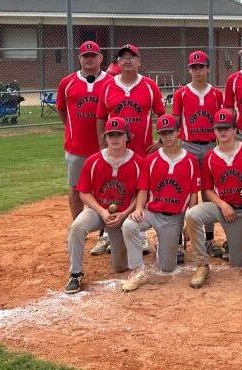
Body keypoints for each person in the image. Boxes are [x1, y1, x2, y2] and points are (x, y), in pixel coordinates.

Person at [94, 44, 164, 256]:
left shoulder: (150, 85)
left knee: (138, 191)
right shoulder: (107, 86)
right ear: (117, 62)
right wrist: (101, 145)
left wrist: (160, 141)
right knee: (112, 188)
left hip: (141, 151)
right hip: (114, 151)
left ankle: (139, 235)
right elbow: (100, 118)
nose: (127, 60)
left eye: (132, 57)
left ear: (139, 62)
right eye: (123, 57)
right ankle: (108, 235)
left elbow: (162, 115)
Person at [120, 115, 201, 292]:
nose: (167, 137)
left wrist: (189, 221)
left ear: (178, 133)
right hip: (151, 212)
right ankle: (138, 271)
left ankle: (162, 247)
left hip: (174, 218)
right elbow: (143, 188)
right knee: (129, 225)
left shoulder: (191, 160)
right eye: (163, 133)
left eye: (170, 132)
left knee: (167, 268)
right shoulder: (151, 160)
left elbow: (193, 194)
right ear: (160, 136)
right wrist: (139, 208)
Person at [184, 109, 242, 288]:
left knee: (238, 262)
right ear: (214, 131)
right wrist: (222, 204)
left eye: (227, 128)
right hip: (220, 208)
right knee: (192, 215)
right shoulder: (210, 156)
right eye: (219, 128)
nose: (223, 132)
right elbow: (207, 189)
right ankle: (201, 264)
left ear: (235, 130)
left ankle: (232, 244)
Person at [64, 117, 143, 294]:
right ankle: (75, 273)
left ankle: (116, 244)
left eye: (119, 134)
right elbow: (83, 192)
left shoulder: (138, 162)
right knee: (77, 227)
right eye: (110, 135)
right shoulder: (93, 161)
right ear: (105, 138)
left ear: (127, 137)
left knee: (120, 266)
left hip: (122, 216)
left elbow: (140, 194)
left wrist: (123, 215)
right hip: (97, 210)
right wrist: (101, 211)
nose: (114, 139)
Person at [171, 50, 225, 259]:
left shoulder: (216, 94)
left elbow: (222, 124)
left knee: (209, 191)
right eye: (193, 67)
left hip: (211, 146)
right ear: (189, 69)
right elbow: (175, 122)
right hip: (188, 146)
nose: (197, 71)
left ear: (208, 68)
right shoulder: (181, 93)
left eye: (201, 66)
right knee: (184, 192)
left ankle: (209, 239)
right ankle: (178, 241)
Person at [56, 41, 112, 221]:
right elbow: (62, 110)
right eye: (85, 56)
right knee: (75, 187)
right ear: (79, 59)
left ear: (100, 58)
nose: (89, 59)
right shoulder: (67, 82)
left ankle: (105, 233)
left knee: (106, 188)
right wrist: (74, 131)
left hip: (104, 147)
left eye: (93, 56)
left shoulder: (111, 82)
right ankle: (78, 227)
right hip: (76, 147)